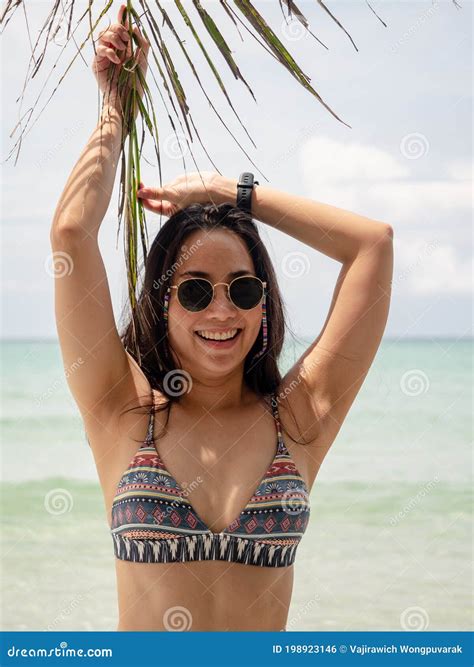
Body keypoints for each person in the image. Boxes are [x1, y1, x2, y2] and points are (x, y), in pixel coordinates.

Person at [49, 4, 393, 632]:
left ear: (265, 301)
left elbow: (372, 244)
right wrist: (113, 110)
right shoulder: (120, 410)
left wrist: (228, 194)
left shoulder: (299, 419)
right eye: (195, 292)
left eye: (242, 287)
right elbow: (73, 233)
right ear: (161, 302)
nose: (223, 309)